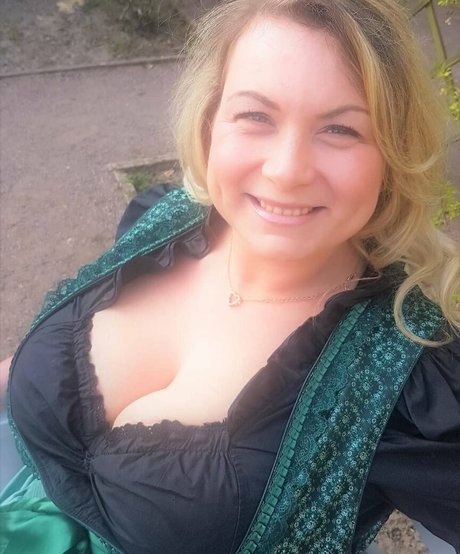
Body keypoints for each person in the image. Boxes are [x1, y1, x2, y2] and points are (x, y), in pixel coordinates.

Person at [1, 0, 459, 552]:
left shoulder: (408, 377)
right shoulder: (162, 222)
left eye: (341, 128)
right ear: (210, 120)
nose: (286, 170)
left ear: (394, 153)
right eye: (256, 116)